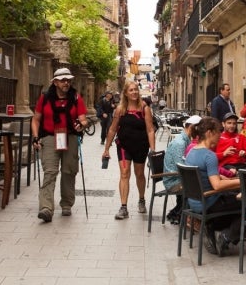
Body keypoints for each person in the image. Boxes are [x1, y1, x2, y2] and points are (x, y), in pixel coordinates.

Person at [31, 67, 89, 222]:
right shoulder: (45, 98)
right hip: (49, 137)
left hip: (70, 137)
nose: (66, 83)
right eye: (63, 80)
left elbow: (83, 119)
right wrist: (36, 137)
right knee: (50, 171)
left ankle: (66, 204)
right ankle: (46, 208)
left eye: (68, 80)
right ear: (55, 82)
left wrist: (81, 125)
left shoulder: (76, 97)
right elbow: (36, 119)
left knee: (69, 171)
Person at [184, 116, 242, 257]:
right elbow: (217, 185)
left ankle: (211, 226)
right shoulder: (209, 156)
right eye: (218, 132)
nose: (220, 136)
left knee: (234, 200)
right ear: (209, 133)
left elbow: (210, 177)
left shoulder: (191, 152)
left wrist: (230, 179)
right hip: (208, 201)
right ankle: (227, 236)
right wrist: (242, 181)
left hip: (194, 202)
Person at [102, 81, 156, 220]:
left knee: (139, 174)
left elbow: (150, 130)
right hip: (124, 146)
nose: (134, 92)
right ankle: (123, 207)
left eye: (136, 90)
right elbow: (113, 129)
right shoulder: (120, 109)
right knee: (125, 173)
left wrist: (153, 149)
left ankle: (141, 199)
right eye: (131, 90)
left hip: (141, 147)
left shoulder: (145, 109)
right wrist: (106, 148)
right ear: (125, 93)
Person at [164, 115, 202, 224]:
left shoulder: (185, 140)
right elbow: (182, 167)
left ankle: (183, 213)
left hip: (176, 177)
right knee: (200, 186)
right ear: (191, 128)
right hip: (173, 181)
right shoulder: (180, 143)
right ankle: (186, 216)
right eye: (199, 129)